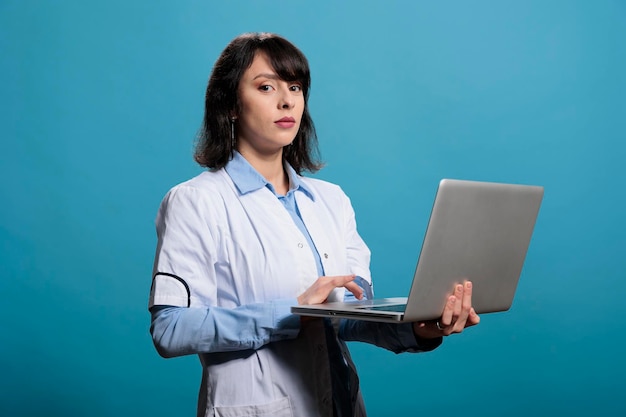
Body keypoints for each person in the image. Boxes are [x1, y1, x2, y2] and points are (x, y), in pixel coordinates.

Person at [149, 32, 480, 417]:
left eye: (295, 86)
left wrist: (425, 327)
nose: (287, 100)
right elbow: (169, 330)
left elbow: (352, 320)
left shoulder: (332, 200)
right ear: (231, 104)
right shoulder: (195, 201)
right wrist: (291, 312)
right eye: (266, 86)